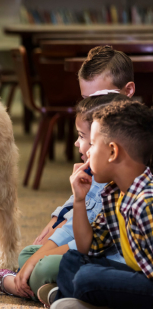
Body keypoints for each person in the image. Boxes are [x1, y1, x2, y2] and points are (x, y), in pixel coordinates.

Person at [0, 92, 130, 306]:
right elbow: (81, 237)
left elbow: (90, 248)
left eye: (84, 138)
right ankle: (51, 290)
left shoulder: (127, 191)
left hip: (112, 265)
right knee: (28, 254)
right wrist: (78, 199)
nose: (77, 144)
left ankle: (48, 291)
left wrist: (40, 259)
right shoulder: (103, 184)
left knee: (44, 267)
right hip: (90, 254)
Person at [50, 101, 153, 309]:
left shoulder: (146, 202)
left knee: (87, 277)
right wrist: (79, 199)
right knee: (72, 261)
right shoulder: (115, 194)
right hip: (140, 280)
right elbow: (87, 246)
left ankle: (74, 299)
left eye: (94, 143)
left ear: (113, 152)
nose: (87, 152)